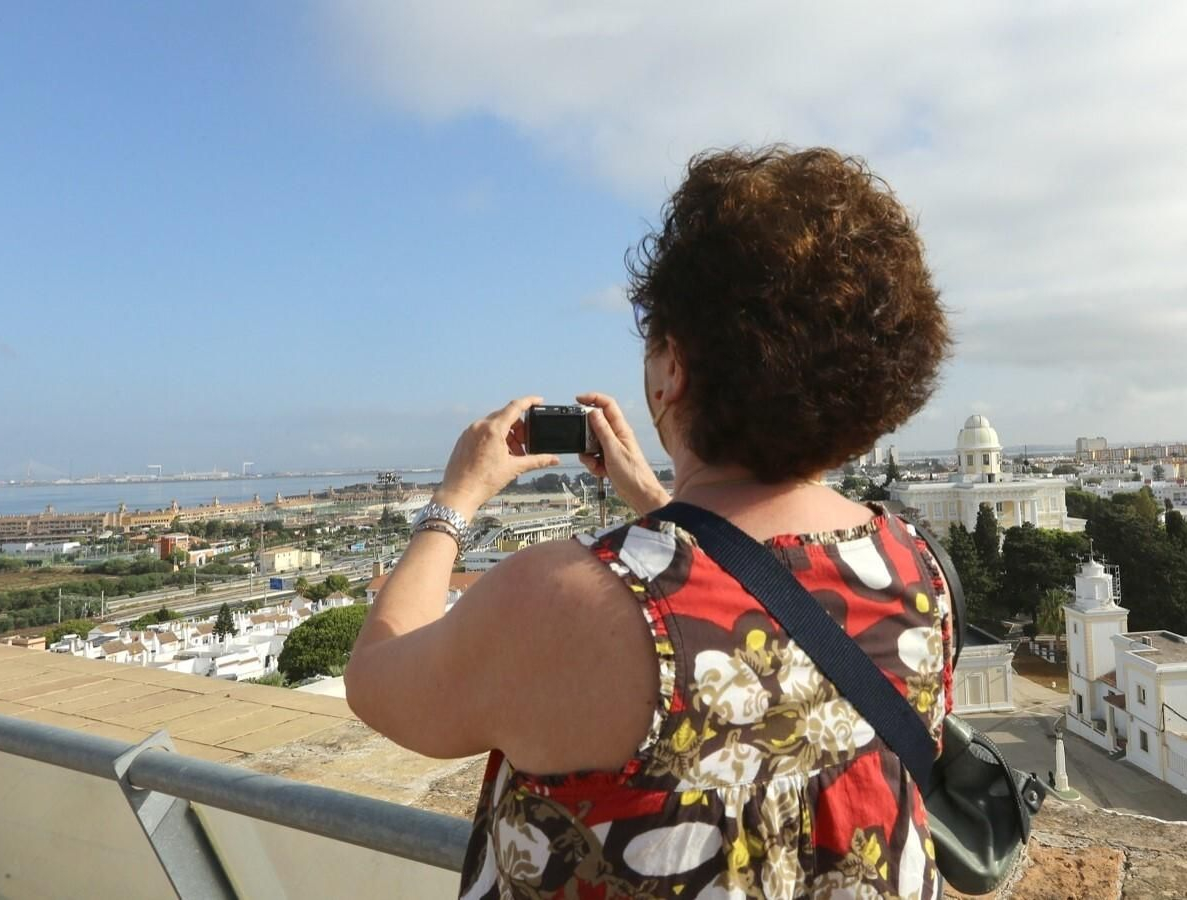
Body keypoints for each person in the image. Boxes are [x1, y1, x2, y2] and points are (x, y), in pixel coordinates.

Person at [345, 145, 954, 898]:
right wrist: (655, 499)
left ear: (672, 368)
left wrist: (455, 501)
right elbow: (750, 604)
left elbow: (377, 681)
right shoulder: (915, 573)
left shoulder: (562, 601)